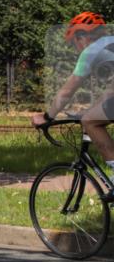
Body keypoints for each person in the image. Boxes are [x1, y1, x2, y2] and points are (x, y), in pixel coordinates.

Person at [31, 12, 114, 177]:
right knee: (91, 116)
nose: (76, 48)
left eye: (73, 44)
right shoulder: (110, 43)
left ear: (81, 36)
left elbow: (68, 90)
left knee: (90, 122)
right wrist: (93, 108)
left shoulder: (90, 51)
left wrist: (47, 117)